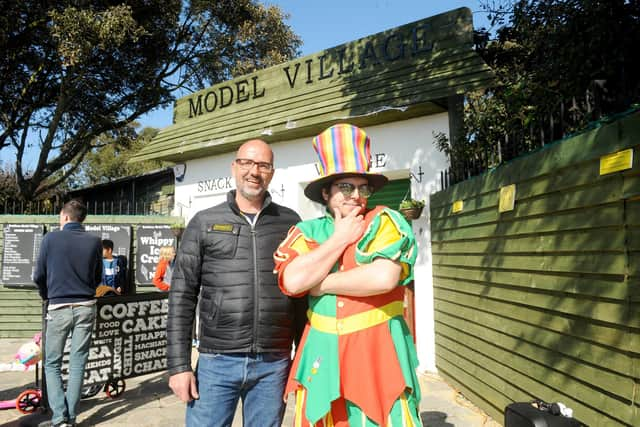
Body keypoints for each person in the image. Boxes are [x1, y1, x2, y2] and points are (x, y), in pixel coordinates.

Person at [274, 124, 421, 426]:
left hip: (377, 353)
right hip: (321, 353)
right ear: (326, 192)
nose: (356, 196)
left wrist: (321, 283)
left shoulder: (384, 221)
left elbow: (383, 278)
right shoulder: (307, 231)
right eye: (346, 187)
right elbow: (292, 282)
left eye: (362, 187)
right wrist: (339, 238)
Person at [166, 139, 306, 427]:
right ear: (234, 167)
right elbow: (181, 296)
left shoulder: (290, 223)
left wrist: (301, 359)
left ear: (272, 172)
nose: (254, 171)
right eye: (247, 163)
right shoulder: (204, 222)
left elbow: (301, 295)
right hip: (217, 362)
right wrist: (179, 366)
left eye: (263, 165)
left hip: (274, 363)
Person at [34, 199, 102, 427]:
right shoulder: (94, 241)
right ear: (82, 218)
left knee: (52, 363)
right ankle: (71, 418)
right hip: (86, 306)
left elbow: (39, 276)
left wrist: (47, 295)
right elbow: (98, 277)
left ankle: (59, 417)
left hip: (58, 306)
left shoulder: (50, 239)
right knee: (78, 362)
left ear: (64, 216)